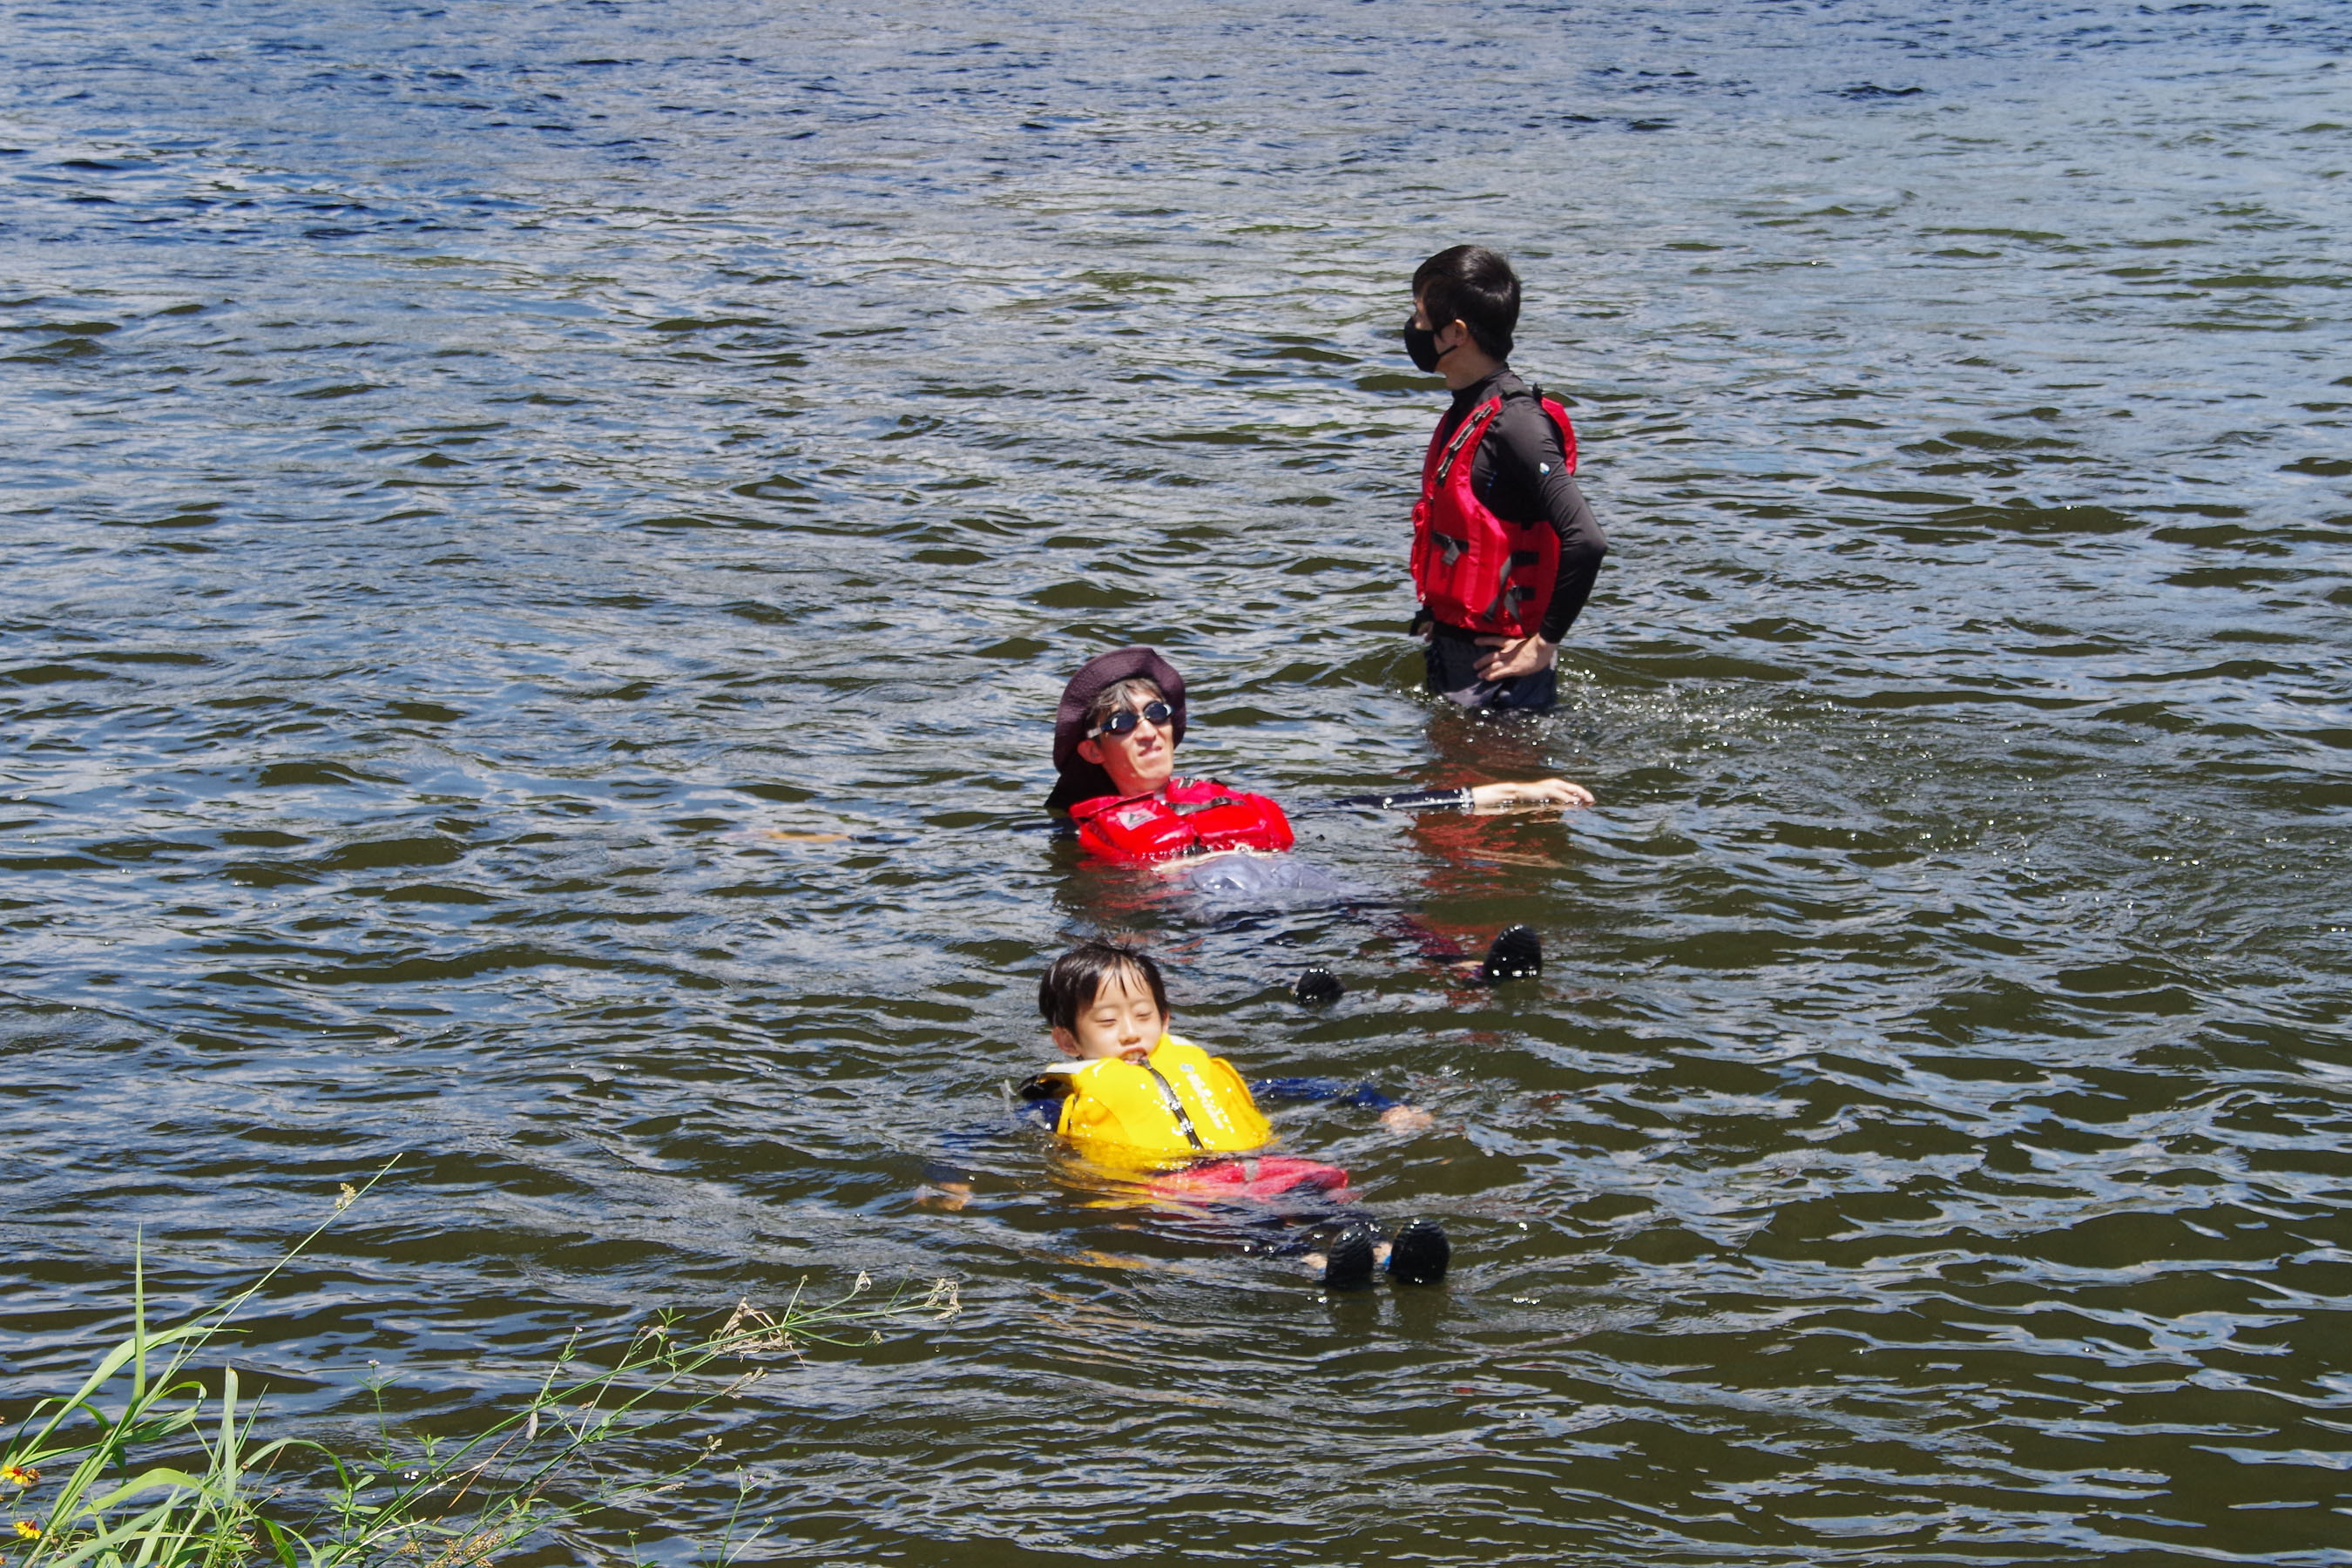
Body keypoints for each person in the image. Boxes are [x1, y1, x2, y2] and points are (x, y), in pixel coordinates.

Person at [1046, 645, 1592, 989]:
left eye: (1157, 714)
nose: (1146, 731)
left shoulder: (1218, 797)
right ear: (1094, 751)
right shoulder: (1081, 825)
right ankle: (1298, 988)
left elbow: (1373, 804)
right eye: (1121, 724)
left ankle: (1465, 971)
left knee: (1376, 905)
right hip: (1207, 889)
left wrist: (1519, 792)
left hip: (1286, 871)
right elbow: (1098, 906)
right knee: (1257, 930)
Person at [1021, 937, 1450, 1290]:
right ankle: (1323, 1266)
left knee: (1327, 1202)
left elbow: (1296, 1088)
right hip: (1182, 1186)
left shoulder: (1193, 1069)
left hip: (1256, 1165)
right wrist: (953, 1176)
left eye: (1143, 1015)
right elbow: (983, 1134)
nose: (1131, 1031)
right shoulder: (1057, 1102)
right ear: (1068, 1042)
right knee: (1255, 1223)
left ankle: (1390, 1253)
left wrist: (1384, 1104)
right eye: (1108, 1022)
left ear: (1165, 1019)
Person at [1402, 245, 1609, 713]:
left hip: (1502, 682)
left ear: (1455, 333)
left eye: (1418, 316)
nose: (1412, 329)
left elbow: (1587, 540)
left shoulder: (1516, 423)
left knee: (1497, 783)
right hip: (1459, 655)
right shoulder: (1468, 410)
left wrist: (1544, 644)